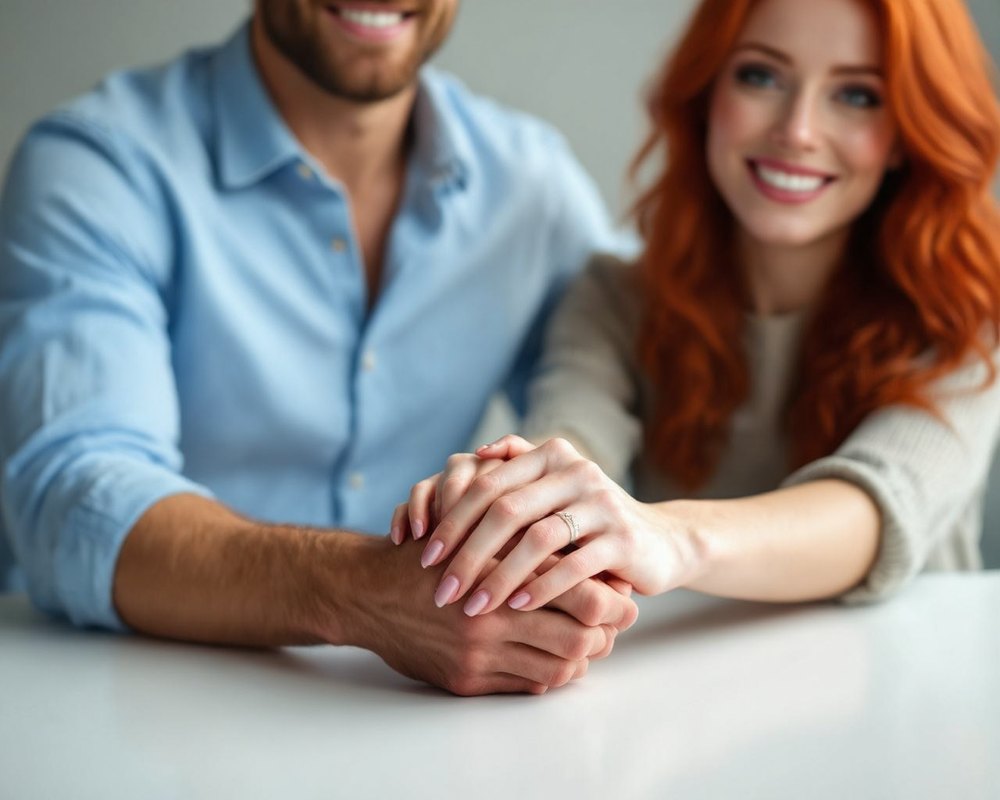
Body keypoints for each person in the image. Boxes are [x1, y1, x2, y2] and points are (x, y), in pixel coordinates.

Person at [0, 0, 640, 696]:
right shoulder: (98, 164)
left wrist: (534, 516)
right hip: (109, 702)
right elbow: (74, 499)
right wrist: (364, 594)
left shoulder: (531, 186)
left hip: (405, 719)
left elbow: (620, 383)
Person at [398, 0, 1000, 618]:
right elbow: (573, 438)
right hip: (694, 697)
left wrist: (671, 537)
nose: (797, 130)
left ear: (907, 131)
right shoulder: (615, 296)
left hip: (911, 690)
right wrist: (516, 496)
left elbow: (880, 506)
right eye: (761, 76)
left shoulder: (966, 312)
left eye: (857, 96)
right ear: (707, 93)